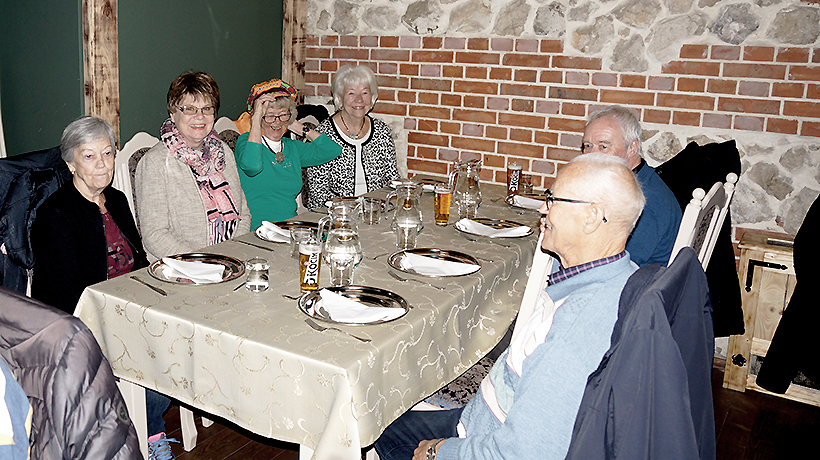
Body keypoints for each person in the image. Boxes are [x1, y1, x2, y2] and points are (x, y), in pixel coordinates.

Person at [374, 153, 645, 460]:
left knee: (382, 430)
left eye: (553, 200)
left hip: (487, 438)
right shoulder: (623, 277)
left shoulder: (574, 328)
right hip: (489, 416)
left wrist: (440, 452)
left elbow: (524, 452)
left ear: (592, 217)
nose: (543, 208)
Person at [30, 116, 176, 459]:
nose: (102, 164)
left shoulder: (118, 200)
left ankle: (147, 429)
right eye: (89, 156)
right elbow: (70, 295)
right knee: (149, 354)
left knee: (176, 341)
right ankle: (149, 435)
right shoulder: (55, 215)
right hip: (78, 322)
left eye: (108, 153)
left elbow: (138, 260)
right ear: (71, 164)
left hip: (127, 307)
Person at [136, 71, 251, 260]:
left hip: (231, 258)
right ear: (173, 114)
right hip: (181, 265)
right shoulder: (155, 163)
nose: (200, 117)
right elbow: (155, 235)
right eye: (189, 109)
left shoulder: (223, 152)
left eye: (207, 109)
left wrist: (231, 254)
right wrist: (202, 261)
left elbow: (243, 214)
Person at [581, 105, 681, 266]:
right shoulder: (628, 183)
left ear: (632, 148)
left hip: (637, 279)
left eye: (603, 146)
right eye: (587, 146)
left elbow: (616, 265)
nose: (591, 155)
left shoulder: (645, 201)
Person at [234, 79, 342, 228]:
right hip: (255, 230)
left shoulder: (293, 147)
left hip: (289, 228)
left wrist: (299, 127)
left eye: (283, 115)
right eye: (269, 116)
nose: (277, 122)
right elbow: (252, 167)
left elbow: (333, 150)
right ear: (259, 118)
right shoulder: (246, 142)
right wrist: (256, 119)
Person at [305, 64, 400, 209]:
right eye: (351, 93)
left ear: (372, 97)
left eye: (365, 92)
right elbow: (318, 195)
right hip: (336, 215)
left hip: (376, 214)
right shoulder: (323, 135)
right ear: (339, 98)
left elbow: (393, 180)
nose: (359, 99)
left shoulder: (382, 131)